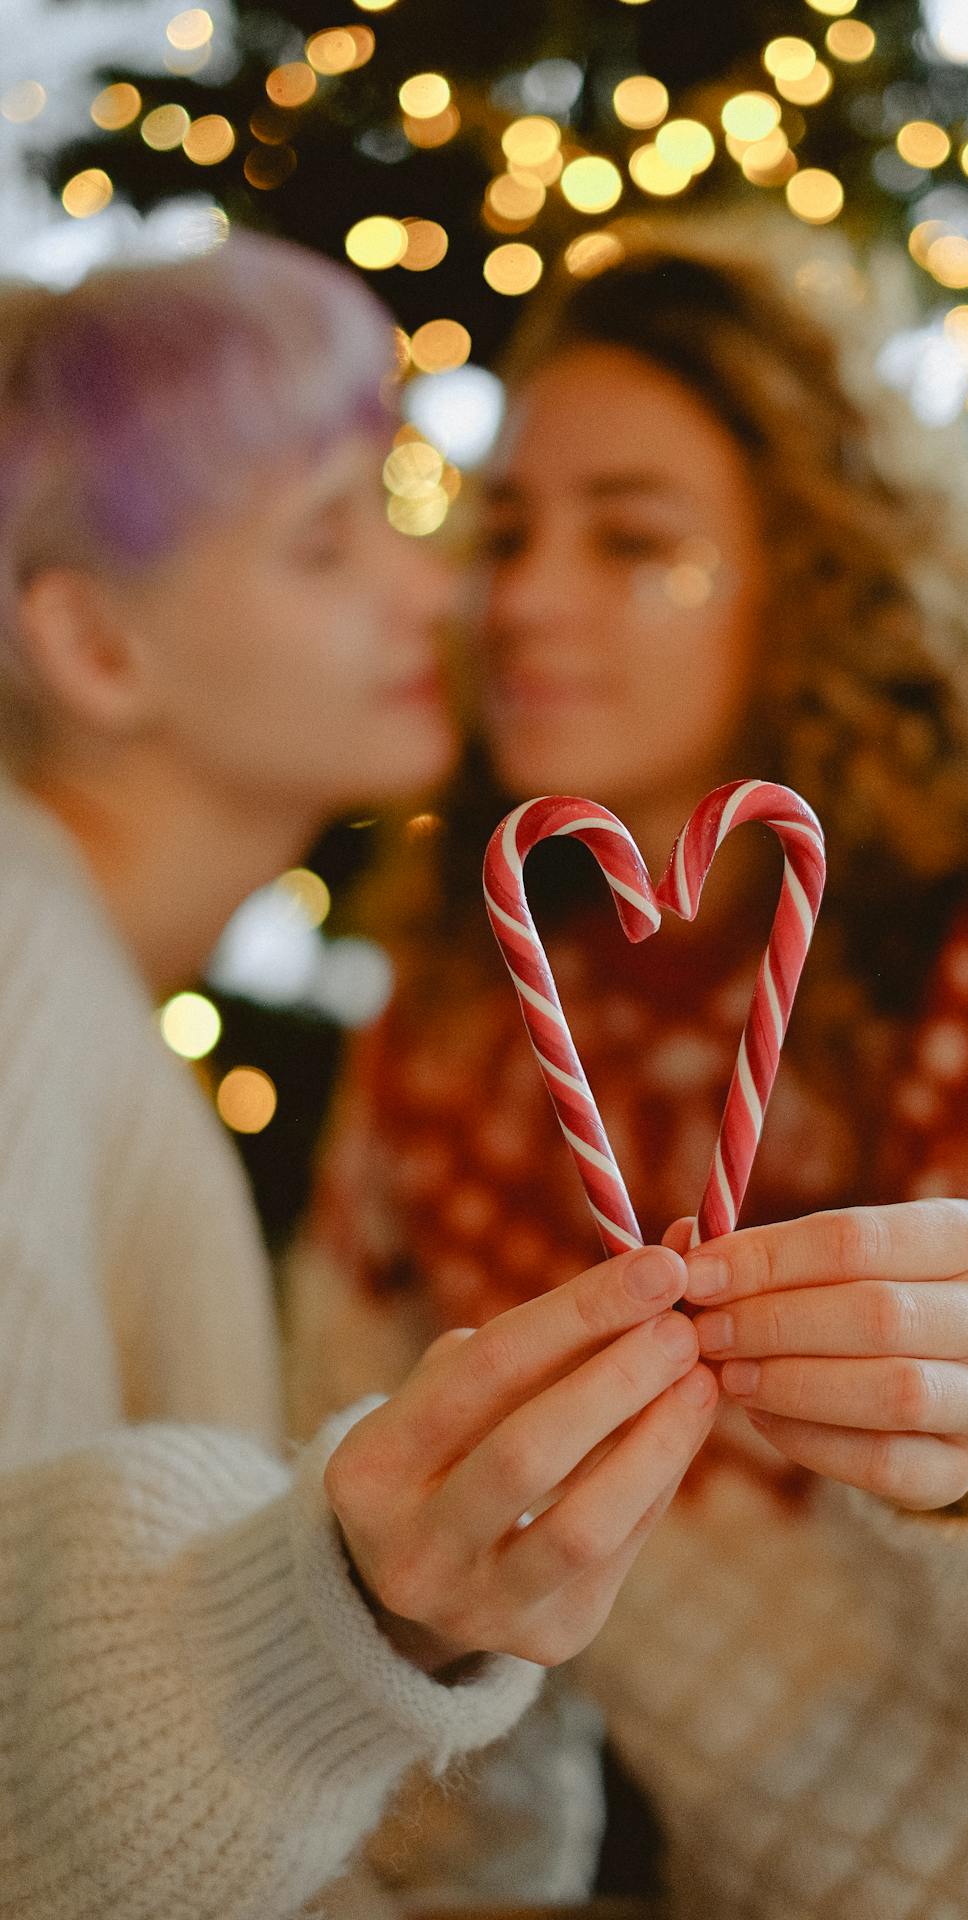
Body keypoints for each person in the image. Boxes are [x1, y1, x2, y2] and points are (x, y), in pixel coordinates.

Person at [290, 230, 968, 1919]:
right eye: (510, 532)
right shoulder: (450, 1053)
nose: (522, 597)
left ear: (809, 570)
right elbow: (429, 1763)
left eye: (635, 540)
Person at [0, 234, 733, 1920]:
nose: (438, 589)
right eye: (327, 544)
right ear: (95, 648)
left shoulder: (96, 990)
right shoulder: (29, 975)